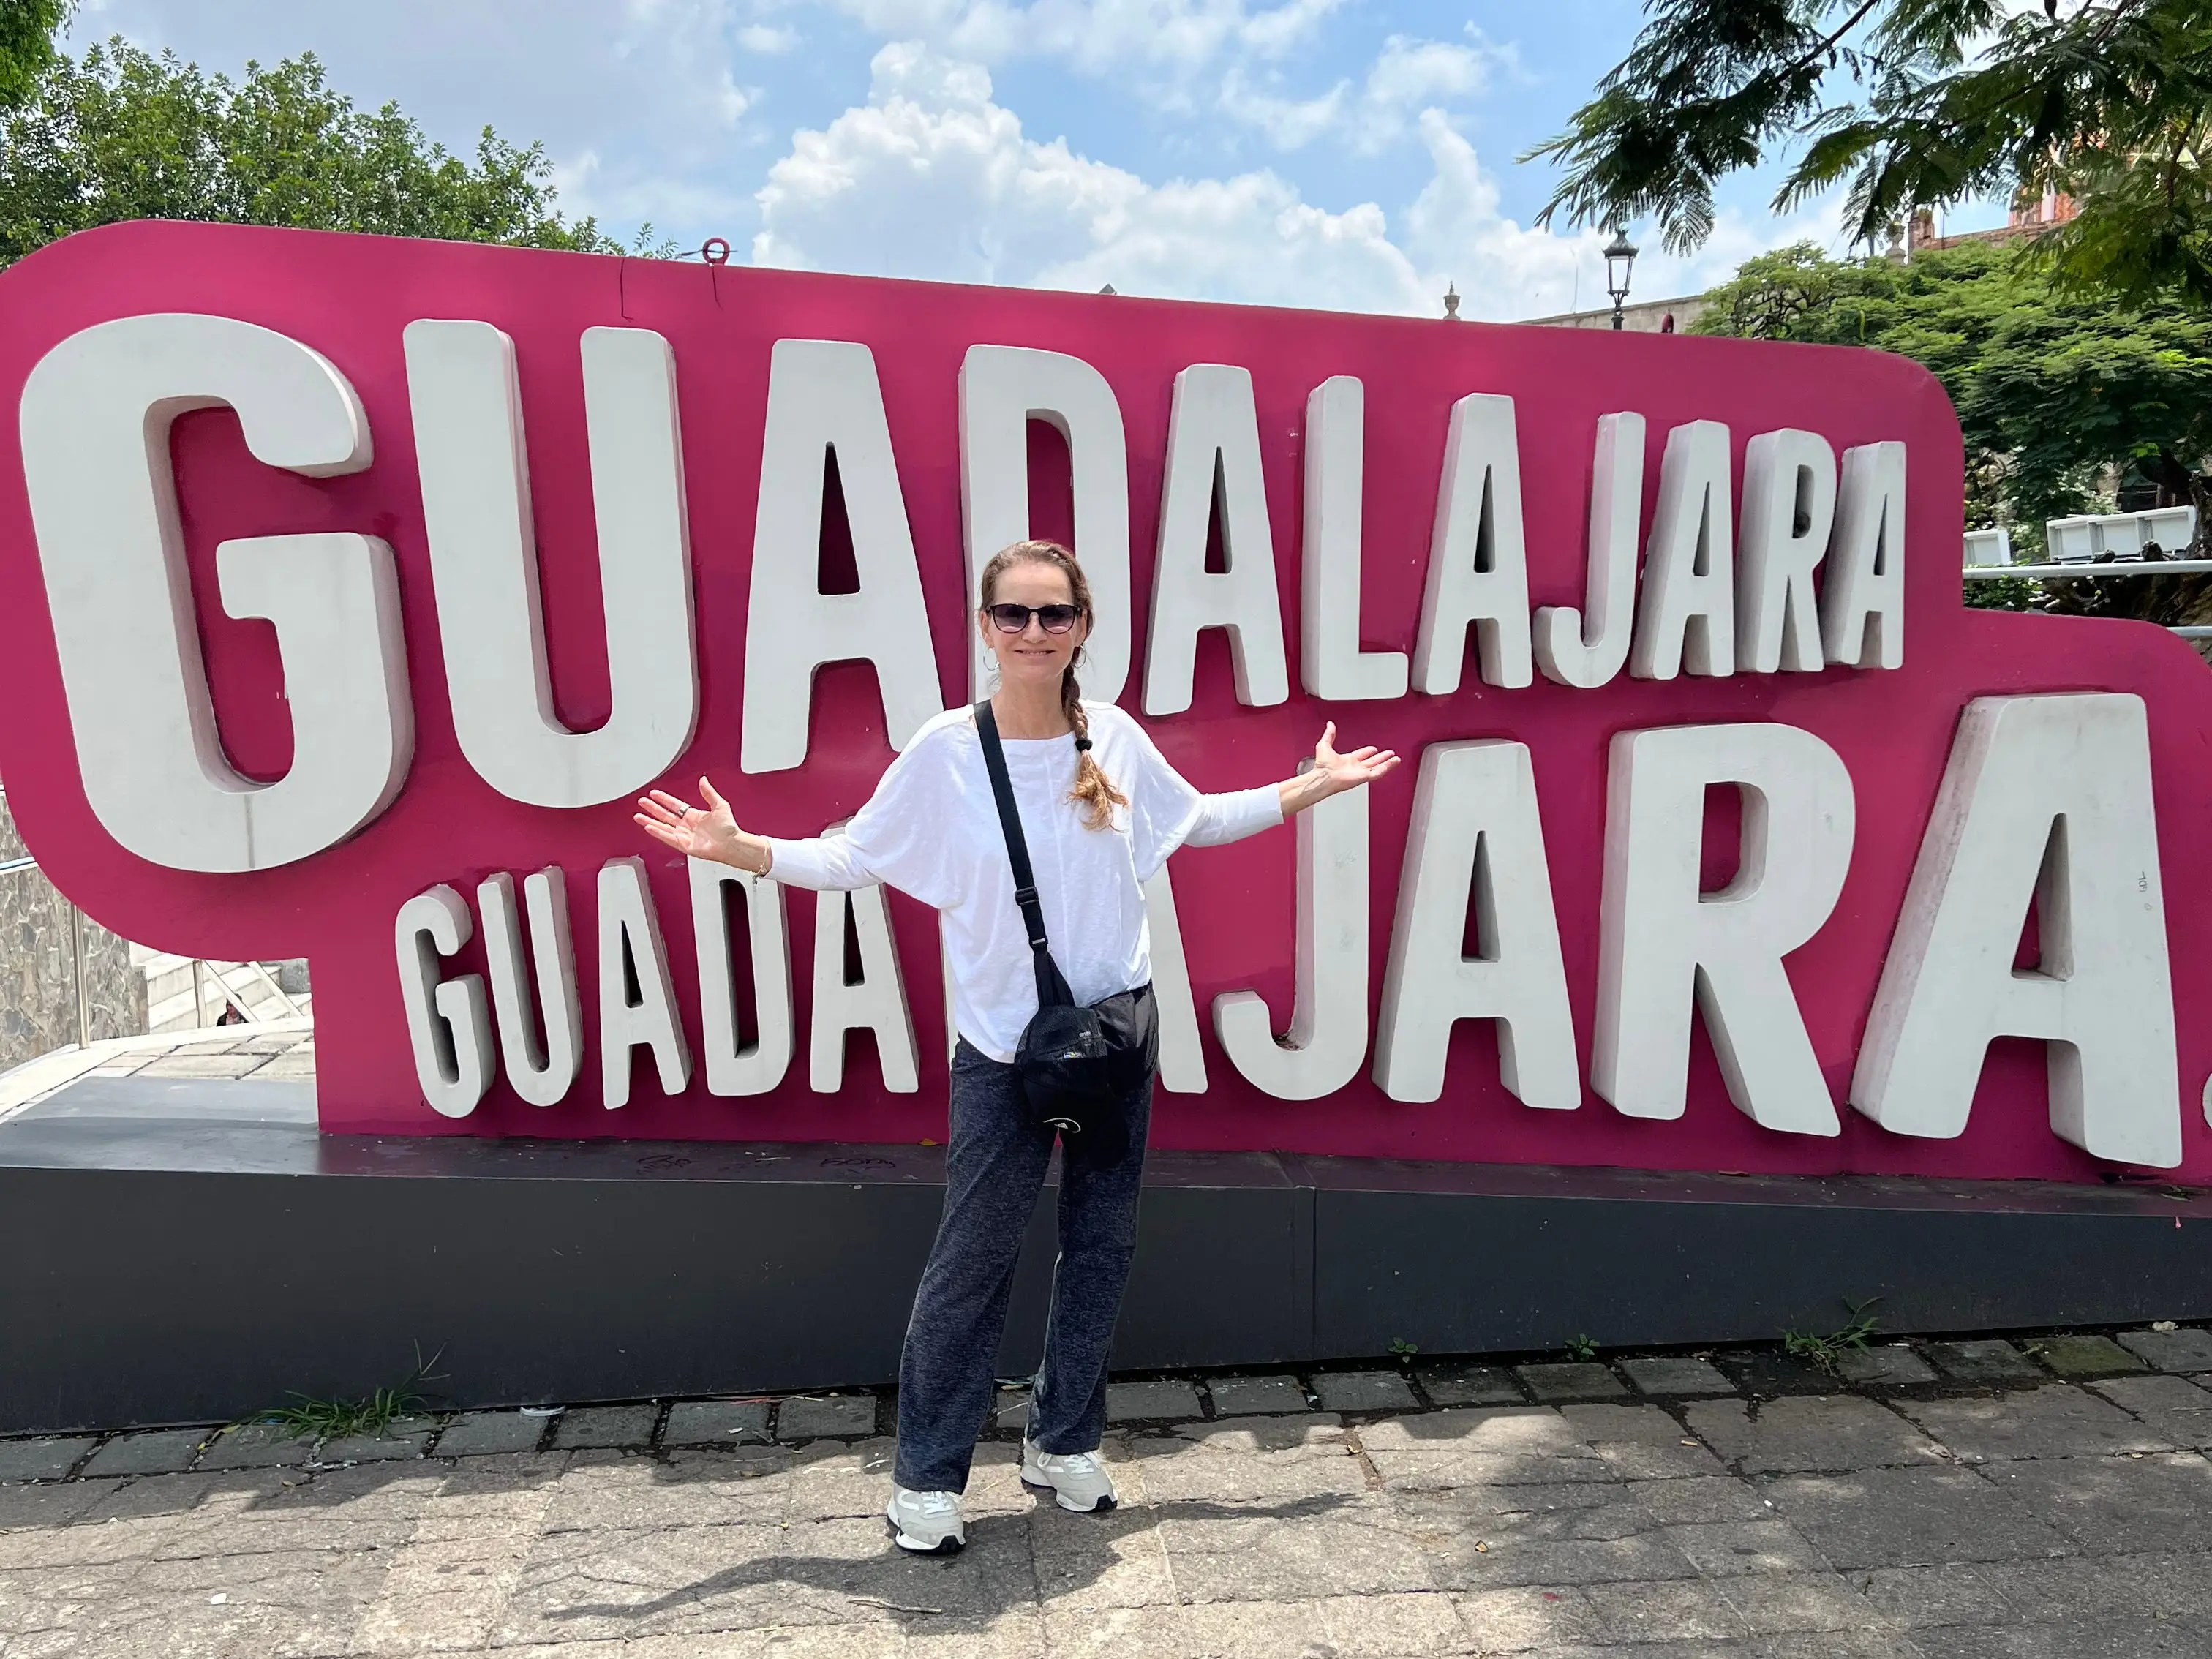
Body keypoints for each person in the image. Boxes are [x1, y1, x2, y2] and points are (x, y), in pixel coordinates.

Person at [634, 538, 1399, 1554]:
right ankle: (926, 1478)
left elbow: (1198, 820)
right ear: (986, 627)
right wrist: (745, 851)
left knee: (1102, 1248)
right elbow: (858, 855)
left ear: (1082, 627)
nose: (1033, 631)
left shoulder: (1112, 736)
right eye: (1014, 613)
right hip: (1003, 1052)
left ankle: (1064, 1438)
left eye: (1053, 613)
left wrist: (1311, 787)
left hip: (1115, 1039)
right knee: (975, 1259)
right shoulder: (947, 752)